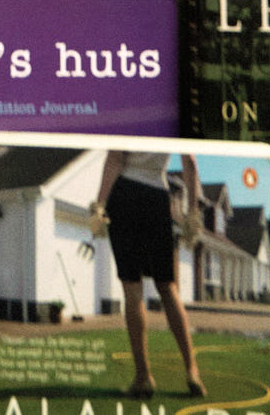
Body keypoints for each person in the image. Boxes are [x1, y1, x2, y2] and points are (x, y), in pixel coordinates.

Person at [92, 148, 205, 400]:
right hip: (157, 197)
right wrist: (192, 212)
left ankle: (143, 377)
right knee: (167, 286)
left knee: (132, 290)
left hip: (125, 195)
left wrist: (99, 205)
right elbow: (191, 163)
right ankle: (192, 371)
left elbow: (115, 158)